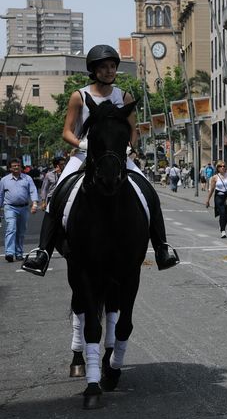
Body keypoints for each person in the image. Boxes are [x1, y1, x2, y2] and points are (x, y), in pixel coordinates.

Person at [22, 44, 178, 275]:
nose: (109, 71)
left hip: (117, 155)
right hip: (85, 153)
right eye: (104, 67)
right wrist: (81, 144)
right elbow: (66, 131)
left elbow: (133, 130)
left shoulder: (124, 96)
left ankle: (162, 247)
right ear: (94, 70)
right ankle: (42, 251)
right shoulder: (79, 96)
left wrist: (128, 146)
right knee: (57, 195)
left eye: (113, 66)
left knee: (148, 192)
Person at [1, 159, 39, 262]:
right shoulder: (4, 180)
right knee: (11, 228)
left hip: (23, 208)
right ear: (10, 168)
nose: (16, 167)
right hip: (10, 207)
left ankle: (19, 253)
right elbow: (1, 196)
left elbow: (33, 190)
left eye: (18, 165)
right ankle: (9, 252)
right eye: (14, 166)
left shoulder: (27, 178)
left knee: (21, 231)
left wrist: (34, 203)